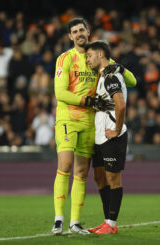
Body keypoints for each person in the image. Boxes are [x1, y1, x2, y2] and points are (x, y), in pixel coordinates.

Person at [51, 18, 136, 235]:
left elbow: (133, 81)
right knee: (67, 164)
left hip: (92, 123)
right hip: (69, 118)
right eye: (74, 31)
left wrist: (121, 68)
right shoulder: (66, 58)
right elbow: (59, 93)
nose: (79, 33)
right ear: (70, 36)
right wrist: (87, 101)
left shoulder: (98, 56)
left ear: (88, 32)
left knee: (84, 172)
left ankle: (76, 222)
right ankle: (59, 219)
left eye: (82, 30)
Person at [86, 40, 128, 234]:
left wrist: (117, 130)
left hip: (112, 135)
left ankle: (111, 223)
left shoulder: (111, 76)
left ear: (100, 54)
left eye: (90, 55)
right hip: (100, 136)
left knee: (113, 178)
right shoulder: (103, 76)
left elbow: (120, 105)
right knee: (99, 177)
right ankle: (106, 221)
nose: (87, 59)